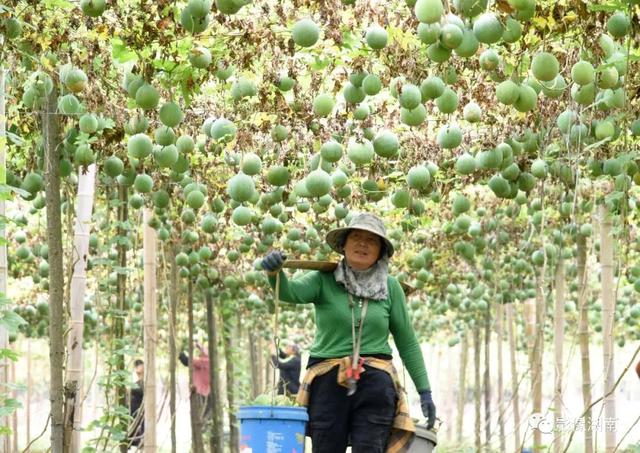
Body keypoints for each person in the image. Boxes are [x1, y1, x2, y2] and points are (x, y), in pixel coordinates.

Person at [261, 212, 436, 453]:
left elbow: (407, 341)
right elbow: (289, 292)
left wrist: (425, 391)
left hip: (375, 381)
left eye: (371, 240)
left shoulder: (391, 287)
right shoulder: (323, 279)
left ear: (380, 252)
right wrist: (274, 274)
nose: (362, 243)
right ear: (343, 245)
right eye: (356, 236)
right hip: (327, 379)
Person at [128, 359, 144, 449]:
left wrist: (129, 389)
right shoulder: (135, 380)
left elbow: (141, 392)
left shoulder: (145, 381)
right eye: (136, 365)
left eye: (139, 365)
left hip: (140, 411)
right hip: (132, 411)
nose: (137, 367)